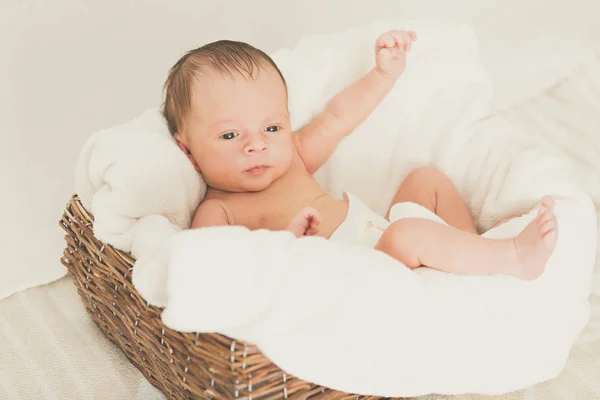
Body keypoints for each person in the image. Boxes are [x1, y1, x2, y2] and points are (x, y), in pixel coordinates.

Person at [161, 30, 557, 280]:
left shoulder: (293, 157)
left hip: (380, 240)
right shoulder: (218, 212)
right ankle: (513, 258)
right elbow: (218, 271)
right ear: (188, 150)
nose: (257, 144)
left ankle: (467, 258)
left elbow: (338, 118)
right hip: (359, 272)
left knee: (425, 180)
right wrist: (284, 242)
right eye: (230, 134)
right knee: (406, 234)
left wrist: (384, 75)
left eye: (272, 127)